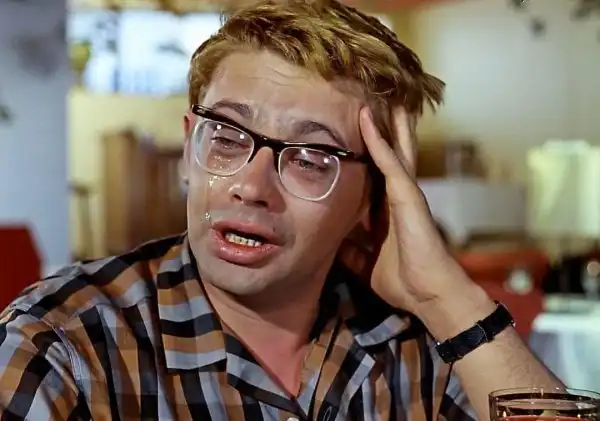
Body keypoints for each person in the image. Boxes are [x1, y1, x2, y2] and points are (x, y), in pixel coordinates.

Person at [0, 1, 561, 420]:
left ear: (374, 194)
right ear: (189, 149)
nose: (251, 186)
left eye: (311, 159)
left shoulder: (416, 345)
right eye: (226, 137)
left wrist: (447, 298)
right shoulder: (62, 347)